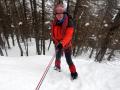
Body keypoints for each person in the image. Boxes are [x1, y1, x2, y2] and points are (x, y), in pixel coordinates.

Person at [51, 4, 78, 79]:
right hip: (58, 44)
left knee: (68, 59)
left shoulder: (69, 22)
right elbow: (53, 32)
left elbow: (68, 35)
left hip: (66, 45)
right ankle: (57, 66)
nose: (59, 15)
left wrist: (62, 43)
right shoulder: (54, 22)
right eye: (57, 14)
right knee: (57, 57)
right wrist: (54, 40)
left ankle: (74, 72)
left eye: (60, 13)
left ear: (64, 13)